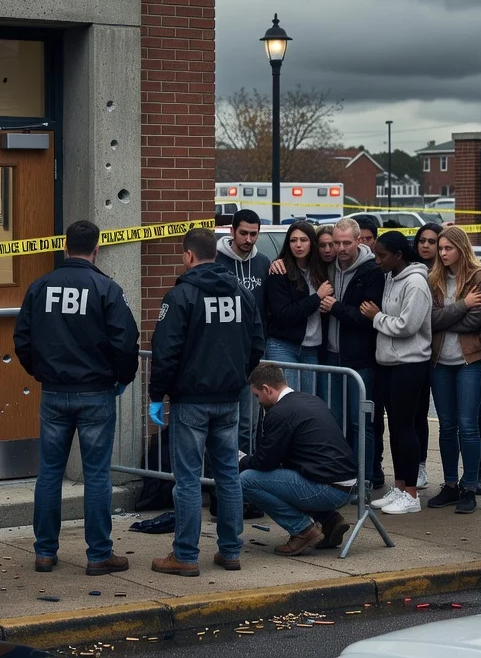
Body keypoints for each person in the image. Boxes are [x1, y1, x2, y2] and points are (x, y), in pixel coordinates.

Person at [14, 219, 140, 576]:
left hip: (54, 392)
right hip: (97, 393)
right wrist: (122, 379)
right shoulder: (106, 289)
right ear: (96, 249)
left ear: (65, 247)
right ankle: (99, 554)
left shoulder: (40, 287)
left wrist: (41, 372)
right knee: (97, 476)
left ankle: (44, 553)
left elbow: (22, 339)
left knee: (50, 473)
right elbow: (126, 341)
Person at [150, 227, 264, 576]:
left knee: (187, 479)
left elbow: (165, 351)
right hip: (229, 398)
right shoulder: (241, 292)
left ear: (188, 256)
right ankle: (230, 551)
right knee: (227, 475)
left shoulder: (181, 295)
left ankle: (185, 555)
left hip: (191, 400)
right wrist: (238, 376)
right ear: (216, 253)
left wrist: (158, 395)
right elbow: (256, 343)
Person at [240, 363, 358, 555]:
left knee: (246, 480)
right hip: (347, 485)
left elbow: (265, 462)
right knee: (284, 479)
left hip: (328, 488)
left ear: (267, 389)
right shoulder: (310, 399)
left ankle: (303, 530)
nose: (258, 401)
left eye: (257, 395)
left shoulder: (279, 413)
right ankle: (330, 521)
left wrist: (242, 460)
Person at [361, 231, 432, 515]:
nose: (377, 260)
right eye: (376, 254)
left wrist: (376, 318)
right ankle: (400, 486)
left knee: (406, 427)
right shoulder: (391, 276)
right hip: (389, 363)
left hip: (410, 363)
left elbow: (408, 325)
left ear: (399, 255)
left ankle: (412, 493)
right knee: (395, 428)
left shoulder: (415, 282)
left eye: (382, 255)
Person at [427, 225, 481, 513]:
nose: (442, 253)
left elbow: (475, 322)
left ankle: (469, 486)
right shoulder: (434, 278)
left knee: (468, 425)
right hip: (440, 361)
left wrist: (446, 317)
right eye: (440, 249)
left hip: (470, 360)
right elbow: (430, 319)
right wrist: (464, 304)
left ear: (461, 248)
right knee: (446, 426)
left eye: (447, 248)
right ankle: (450, 484)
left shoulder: (479, 277)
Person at [320, 218, 385, 489]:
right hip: (331, 356)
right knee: (334, 422)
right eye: (337, 243)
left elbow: (365, 317)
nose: (341, 248)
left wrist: (335, 306)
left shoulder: (371, 271)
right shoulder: (326, 267)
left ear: (359, 240)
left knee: (362, 423)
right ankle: (342, 476)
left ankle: (365, 479)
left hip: (360, 359)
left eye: (347, 242)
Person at [216, 209, 270, 453]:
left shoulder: (263, 263)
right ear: (232, 231)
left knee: (249, 422)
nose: (249, 239)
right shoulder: (217, 261)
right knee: (225, 421)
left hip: (253, 354)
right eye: (244, 233)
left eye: (254, 234)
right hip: (224, 352)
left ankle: (243, 477)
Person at [263, 221, 331, 391]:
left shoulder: (322, 270)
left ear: (312, 243)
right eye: (293, 240)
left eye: (304, 240)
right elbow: (283, 314)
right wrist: (317, 298)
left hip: (312, 348)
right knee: (288, 399)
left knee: (308, 401)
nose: (298, 245)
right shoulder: (280, 271)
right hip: (283, 344)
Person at [411, 223, 446, 488]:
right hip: (420, 355)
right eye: (422, 240)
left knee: (458, 419)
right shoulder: (411, 271)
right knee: (418, 413)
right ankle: (419, 466)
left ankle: (474, 473)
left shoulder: (448, 273)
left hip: (446, 354)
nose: (425, 245)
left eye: (432, 241)